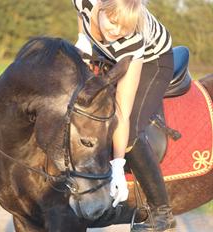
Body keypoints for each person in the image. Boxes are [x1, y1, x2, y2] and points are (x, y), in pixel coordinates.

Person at [72, 0, 176, 231]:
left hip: (153, 61)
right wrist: (82, 37)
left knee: (127, 128)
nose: (116, 32)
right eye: (113, 22)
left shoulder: (132, 42)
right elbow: (81, 12)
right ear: (101, 8)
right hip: (105, 50)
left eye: (124, 28)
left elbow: (122, 109)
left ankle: (161, 213)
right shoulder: (85, 1)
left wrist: (117, 166)